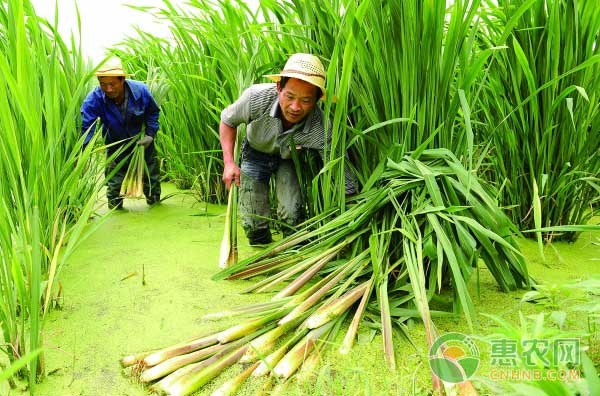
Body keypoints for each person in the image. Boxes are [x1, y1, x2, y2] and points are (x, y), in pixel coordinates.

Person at [219, 53, 356, 245]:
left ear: (317, 100)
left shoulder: (320, 127)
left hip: (290, 158)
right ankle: (261, 251)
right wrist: (229, 163)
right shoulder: (256, 98)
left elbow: (339, 172)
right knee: (253, 222)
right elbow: (227, 121)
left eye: (306, 100)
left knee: (293, 215)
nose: (295, 107)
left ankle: (292, 252)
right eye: (289, 96)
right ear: (278, 88)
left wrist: (355, 207)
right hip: (255, 152)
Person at [81, 58, 161, 210]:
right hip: (115, 146)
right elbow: (87, 126)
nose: (108, 89)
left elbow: (153, 112)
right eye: (103, 85)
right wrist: (84, 151)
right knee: (114, 184)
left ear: (122, 79)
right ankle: (115, 208)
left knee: (151, 179)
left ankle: (155, 205)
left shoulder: (140, 91)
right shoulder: (94, 99)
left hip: (143, 144)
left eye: (112, 84)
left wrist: (150, 135)